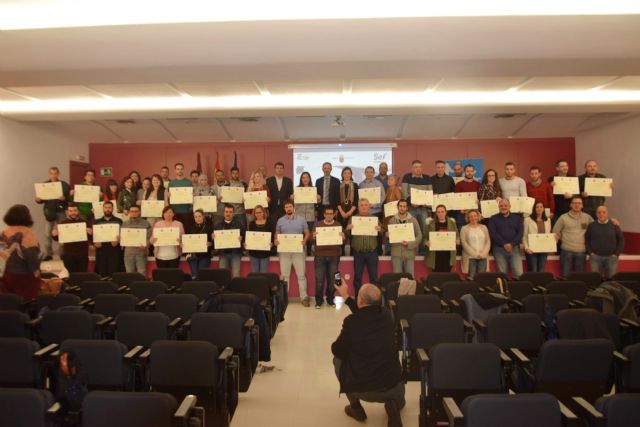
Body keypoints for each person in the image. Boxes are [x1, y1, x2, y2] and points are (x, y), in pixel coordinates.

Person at [332, 281, 404, 427]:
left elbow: (337, 349)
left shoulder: (351, 322)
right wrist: (345, 296)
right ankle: (393, 406)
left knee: (338, 359)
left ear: (360, 300)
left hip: (363, 389)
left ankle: (356, 408)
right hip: (394, 387)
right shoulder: (387, 315)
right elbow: (364, 312)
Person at [0, 205, 42, 300]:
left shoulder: (4, 232)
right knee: (26, 304)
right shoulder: (27, 233)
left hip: (5, 275)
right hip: (23, 276)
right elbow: (30, 254)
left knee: (8, 303)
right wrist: (35, 270)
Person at [275, 200, 310, 306]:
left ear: (293, 207)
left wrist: (305, 240)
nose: (288, 208)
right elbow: (277, 233)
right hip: (284, 252)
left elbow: (307, 233)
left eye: (290, 206)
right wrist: (276, 240)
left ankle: (304, 298)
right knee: (285, 276)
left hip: (298, 251)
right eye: (286, 207)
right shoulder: (280, 220)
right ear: (284, 209)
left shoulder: (302, 219)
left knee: (301, 275)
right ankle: (284, 299)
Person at [346, 199, 382, 297]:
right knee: (357, 277)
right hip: (358, 253)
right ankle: (358, 298)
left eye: (366, 205)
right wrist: (348, 229)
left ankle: (374, 299)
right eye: (361, 205)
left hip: (372, 252)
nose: (364, 207)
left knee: (374, 278)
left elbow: (382, 233)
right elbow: (347, 235)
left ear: (369, 206)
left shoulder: (375, 218)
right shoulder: (353, 219)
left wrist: (380, 230)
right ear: (358, 207)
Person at [552, 196, 594, 278]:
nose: (577, 205)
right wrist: (558, 237)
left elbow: (597, 227)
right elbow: (555, 231)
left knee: (580, 277)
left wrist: (612, 221)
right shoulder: (563, 217)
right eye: (575, 203)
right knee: (564, 276)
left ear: (582, 206)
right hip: (566, 251)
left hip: (581, 252)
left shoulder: (587, 218)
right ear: (570, 205)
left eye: (579, 203)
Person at [35, 166, 71, 261]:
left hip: (61, 211)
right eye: (51, 173)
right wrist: (37, 200)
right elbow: (41, 200)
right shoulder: (44, 185)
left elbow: (70, 199)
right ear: (49, 174)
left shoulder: (64, 185)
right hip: (49, 212)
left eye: (55, 173)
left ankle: (62, 253)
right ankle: (48, 253)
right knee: (47, 234)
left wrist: (65, 199)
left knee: (63, 233)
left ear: (58, 174)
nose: (53, 175)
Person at [313, 206, 343, 308]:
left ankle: (330, 299)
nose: (329, 215)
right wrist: (314, 237)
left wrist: (343, 237)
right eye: (327, 213)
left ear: (334, 214)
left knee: (333, 280)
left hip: (334, 256)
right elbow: (313, 241)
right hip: (320, 256)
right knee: (319, 280)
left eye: (331, 213)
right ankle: (319, 300)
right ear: (324, 215)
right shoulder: (317, 225)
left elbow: (342, 241)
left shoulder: (338, 225)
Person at [401, 160, 432, 255]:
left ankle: (422, 251)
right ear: (412, 168)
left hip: (423, 209)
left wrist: (428, 202)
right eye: (415, 167)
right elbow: (404, 193)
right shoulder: (407, 177)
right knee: (411, 229)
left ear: (422, 168)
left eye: (419, 167)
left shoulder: (427, 178)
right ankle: (412, 250)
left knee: (424, 229)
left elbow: (429, 192)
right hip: (411, 208)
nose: (418, 169)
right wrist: (411, 202)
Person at [488, 199, 524, 279]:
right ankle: (504, 291)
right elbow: (493, 234)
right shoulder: (493, 219)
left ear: (510, 206)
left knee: (519, 274)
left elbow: (520, 233)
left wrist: (512, 244)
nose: (503, 207)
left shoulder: (517, 218)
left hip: (514, 249)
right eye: (501, 206)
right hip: (499, 250)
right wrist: (504, 244)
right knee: (502, 275)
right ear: (498, 207)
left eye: (505, 205)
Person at [52, 203, 93, 273]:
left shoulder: (85, 222)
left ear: (78, 211)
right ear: (67, 212)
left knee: (82, 275)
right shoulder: (63, 223)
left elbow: (91, 238)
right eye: (70, 211)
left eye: (75, 210)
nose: (73, 213)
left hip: (82, 254)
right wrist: (54, 235)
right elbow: (58, 238)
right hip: (68, 254)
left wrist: (91, 233)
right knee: (71, 275)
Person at [586, 206, 624, 280]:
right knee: (595, 280)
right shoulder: (591, 225)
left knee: (611, 281)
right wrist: (590, 252)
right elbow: (587, 239)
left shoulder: (614, 225)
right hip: (595, 258)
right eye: (599, 212)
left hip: (611, 258)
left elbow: (621, 240)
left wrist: (616, 254)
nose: (601, 214)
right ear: (596, 214)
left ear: (607, 213)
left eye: (604, 212)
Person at [387, 199, 422, 276]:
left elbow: (419, 236)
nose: (402, 208)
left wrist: (409, 244)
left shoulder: (413, 220)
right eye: (400, 206)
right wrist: (388, 236)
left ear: (407, 208)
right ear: (397, 207)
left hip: (409, 253)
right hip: (396, 253)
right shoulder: (391, 221)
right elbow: (389, 238)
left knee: (410, 278)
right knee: (397, 278)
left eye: (404, 206)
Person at [424, 205, 459, 272]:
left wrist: (457, 240)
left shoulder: (452, 223)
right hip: (435, 254)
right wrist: (426, 242)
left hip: (448, 253)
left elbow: (457, 235)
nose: (440, 214)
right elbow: (425, 238)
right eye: (438, 212)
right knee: (436, 275)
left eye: (442, 212)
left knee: (447, 274)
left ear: (446, 212)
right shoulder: (431, 223)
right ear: (436, 213)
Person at [93, 201, 123, 277]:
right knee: (102, 272)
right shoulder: (97, 222)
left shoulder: (119, 221)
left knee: (113, 272)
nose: (108, 209)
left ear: (113, 209)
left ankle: (113, 288)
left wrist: (118, 241)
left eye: (109, 207)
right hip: (101, 250)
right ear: (103, 209)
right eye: (106, 207)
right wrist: (95, 243)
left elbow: (122, 235)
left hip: (114, 250)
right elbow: (94, 236)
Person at [360, 165, 386, 254]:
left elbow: (383, 197)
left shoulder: (378, 183)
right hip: (364, 213)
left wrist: (374, 205)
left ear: (374, 173)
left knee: (377, 232)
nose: (369, 174)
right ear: (365, 173)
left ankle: (378, 251)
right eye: (367, 172)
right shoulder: (361, 184)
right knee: (366, 232)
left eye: (371, 172)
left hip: (376, 212)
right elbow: (359, 199)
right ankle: (368, 250)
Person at [214, 204, 245, 278]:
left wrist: (242, 238)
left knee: (236, 274)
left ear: (233, 213)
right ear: (224, 213)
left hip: (236, 253)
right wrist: (213, 237)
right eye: (226, 212)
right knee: (222, 274)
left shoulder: (239, 224)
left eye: (230, 212)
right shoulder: (217, 225)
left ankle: (235, 289)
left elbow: (244, 237)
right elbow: (214, 241)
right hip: (223, 253)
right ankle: (223, 289)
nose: (228, 214)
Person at [460, 209, 490, 280]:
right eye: (471, 216)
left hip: (483, 256)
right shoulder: (464, 228)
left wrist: (483, 253)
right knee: (471, 278)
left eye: (475, 216)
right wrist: (475, 254)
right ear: (468, 218)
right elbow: (464, 243)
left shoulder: (484, 227)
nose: (473, 218)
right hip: (470, 257)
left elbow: (488, 241)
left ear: (478, 217)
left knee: (482, 278)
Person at [522, 201, 552, 273]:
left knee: (541, 271)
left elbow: (548, 235)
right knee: (533, 271)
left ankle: (540, 284)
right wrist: (526, 248)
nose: (539, 208)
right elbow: (524, 236)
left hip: (543, 250)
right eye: (537, 207)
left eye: (541, 207)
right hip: (531, 250)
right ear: (534, 209)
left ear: (544, 209)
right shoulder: (527, 220)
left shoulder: (548, 220)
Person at [121, 205, 151, 275]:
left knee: (142, 273)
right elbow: (122, 238)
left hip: (141, 252)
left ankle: (141, 286)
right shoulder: (124, 224)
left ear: (139, 212)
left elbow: (149, 237)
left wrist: (146, 245)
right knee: (129, 274)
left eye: (136, 211)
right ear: (129, 212)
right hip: (128, 253)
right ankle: (130, 286)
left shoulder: (146, 223)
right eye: (132, 211)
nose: (134, 213)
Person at [185, 209, 213, 279]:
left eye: (199, 216)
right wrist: (183, 244)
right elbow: (186, 241)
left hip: (205, 255)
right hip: (192, 255)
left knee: (201, 275)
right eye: (196, 217)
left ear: (203, 216)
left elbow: (214, 243)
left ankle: (202, 289)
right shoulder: (189, 228)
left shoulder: (209, 228)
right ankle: (195, 289)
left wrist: (211, 243)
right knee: (194, 275)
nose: (198, 218)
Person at [246, 205, 274, 273]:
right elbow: (250, 238)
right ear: (254, 214)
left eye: (260, 212)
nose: (258, 214)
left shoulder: (269, 224)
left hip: (265, 254)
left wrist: (271, 244)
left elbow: (272, 238)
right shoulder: (251, 224)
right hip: (254, 253)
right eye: (256, 213)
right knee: (254, 274)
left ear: (263, 213)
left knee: (263, 273)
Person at [454, 163, 481, 230]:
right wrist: (460, 209)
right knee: (462, 231)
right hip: (462, 213)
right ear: (464, 172)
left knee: (475, 231)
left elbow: (480, 198)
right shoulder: (459, 184)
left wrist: (478, 201)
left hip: (474, 213)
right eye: (468, 171)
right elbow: (456, 199)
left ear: (474, 172)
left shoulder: (478, 184)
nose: (469, 173)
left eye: (471, 171)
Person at [548, 159, 575, 225]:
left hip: (569, 209)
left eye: (566, 166)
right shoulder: (551, 179)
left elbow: (578, 194)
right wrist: (550, 186)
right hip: (556, 210)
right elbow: (548, 195)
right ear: (557, 168)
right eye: (562, 166)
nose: (565, 168)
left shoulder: (573, 178)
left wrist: (572, 196)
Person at [294, 172, 316, 256]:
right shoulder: (297, 189)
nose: (305, 179)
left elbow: (318, 200)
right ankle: (300, 252)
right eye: (303, 178)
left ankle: (309, 253)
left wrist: (318, 197)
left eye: (307, 177)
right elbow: (293, 202)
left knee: (309, 236)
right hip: (299, 216)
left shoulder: (313, 189)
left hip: (310, 216)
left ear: (309, 179)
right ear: (301, 179)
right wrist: (293, 197)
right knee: (300, 235)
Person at [383, 174, 403, 255]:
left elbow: (400, 202)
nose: (389, 181)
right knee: (387, 233)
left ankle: (391, 251)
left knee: (392, 233)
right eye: (388, 179)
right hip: (387, 216)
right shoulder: (388, 189)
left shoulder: (397, 190)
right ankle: (387, 250)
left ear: (396, 182)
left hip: (393, 216)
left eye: (391, 179)